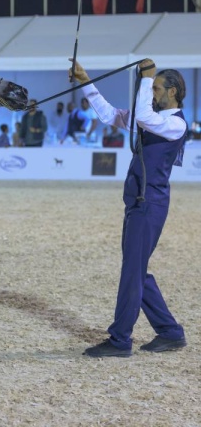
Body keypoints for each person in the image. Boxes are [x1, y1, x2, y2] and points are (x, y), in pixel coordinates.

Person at [70, 58, 188, 358]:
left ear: (172, 92)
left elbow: (144, 117)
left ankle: (120, 340)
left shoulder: (175, 124)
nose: (151, 92)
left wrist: (146, 78)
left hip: (149, 205)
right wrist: (85, 79)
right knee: (136, 271)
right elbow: (109, 114)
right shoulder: (152, 118)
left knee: (132, 273)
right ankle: (170, 331)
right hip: (138, 203)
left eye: (157, 88)